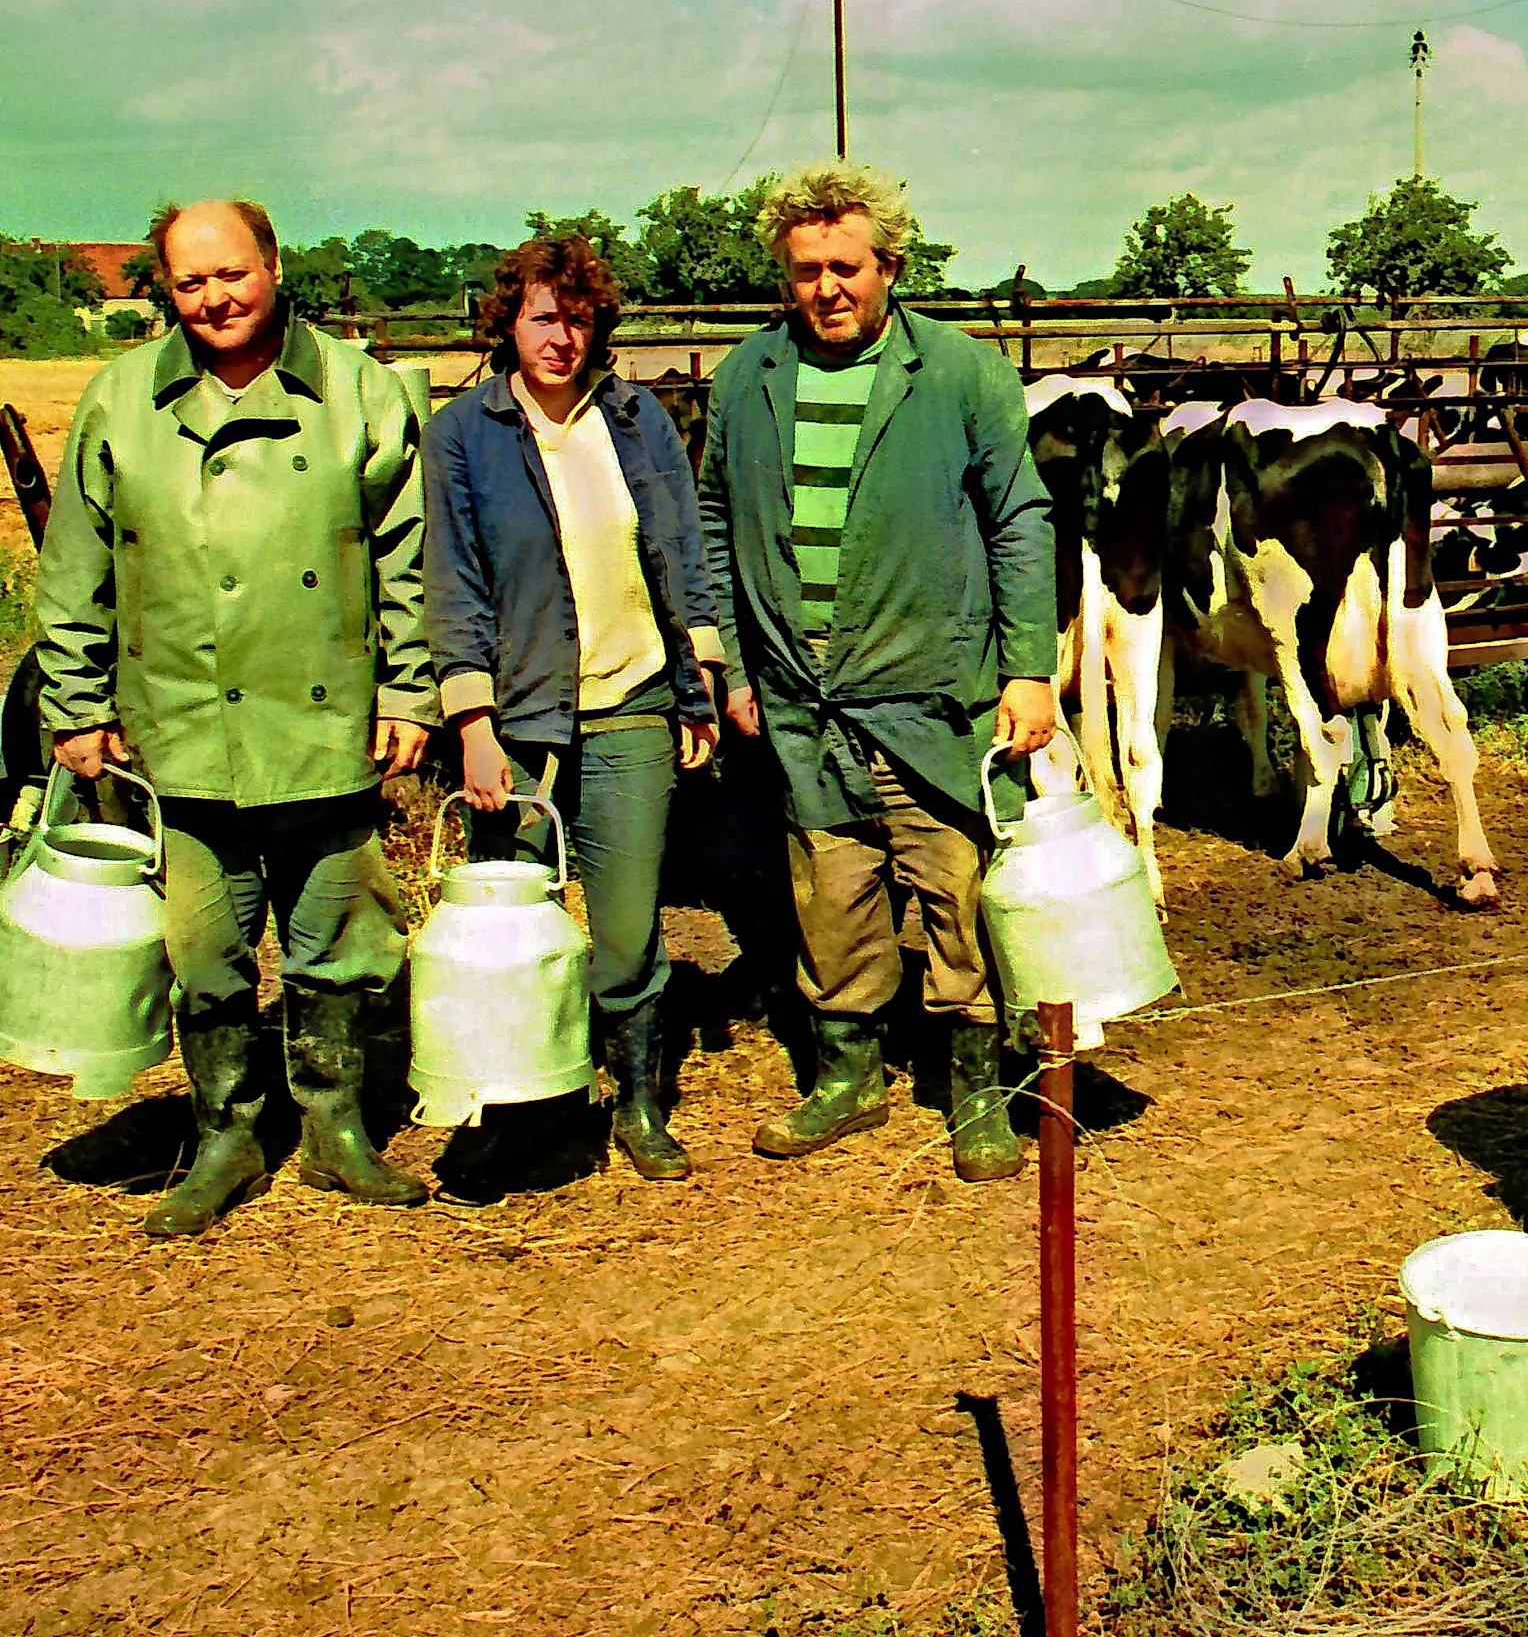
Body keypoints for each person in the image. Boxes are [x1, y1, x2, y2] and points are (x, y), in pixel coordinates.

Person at [33, 198, 436, 1237]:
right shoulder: (122, 398)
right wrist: (75, 704)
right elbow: (75, 565)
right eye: (190, 281)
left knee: (338, 939)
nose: (214, 298)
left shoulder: (359, 390)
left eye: (232, 273)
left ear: (274, 265)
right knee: (204, 953)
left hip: (328, 722)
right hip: (178, 727)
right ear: (166, 290)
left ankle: (337, 1129)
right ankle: (226, 1135)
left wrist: (407, 691)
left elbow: (410, 556)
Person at [696, 160, 1057, 1181]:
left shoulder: (957, 372)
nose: (825, 288)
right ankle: (846, 1075)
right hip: (800, 698)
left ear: (889, 264)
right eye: (804, 269)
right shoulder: (745, 377)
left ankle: (974, 1084)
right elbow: (714, 525)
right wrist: (732, 665)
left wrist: (1027, 667)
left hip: (927, 694)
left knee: (952, 881)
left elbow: (1019, 520)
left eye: (845, 266)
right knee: (832, 891)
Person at [422, 236, 722, 1182]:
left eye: (581, 320)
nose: (563, 338)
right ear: (507, 323)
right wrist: (472, 723)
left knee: (629, 928)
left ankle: (635, 1102)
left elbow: (682, 549)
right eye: (544, 318)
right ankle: (524, 1103)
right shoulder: (465, 434)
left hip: (631, 702)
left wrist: (697, 675)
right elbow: (454, 585)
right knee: (515, 925)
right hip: (519, 718)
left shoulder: (637, 421)